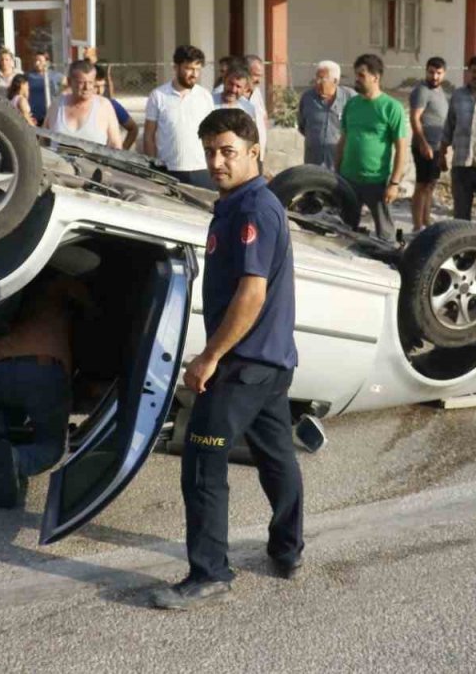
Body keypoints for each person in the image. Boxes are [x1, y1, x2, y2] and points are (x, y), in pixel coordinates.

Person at [151, 108, 303, 610]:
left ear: (254, 152)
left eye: (227, 152)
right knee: (277, 456)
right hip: (270, 362)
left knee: (201, 460)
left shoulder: (254, 210)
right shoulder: (237, 203)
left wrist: (209, 357)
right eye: (211, 151)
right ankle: (288, 548)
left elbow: (252, 295)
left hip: (243, 364)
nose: (217, 161)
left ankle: (210, 573)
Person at [0, 270, 96, 509]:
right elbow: (94, 314)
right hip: (43, 369)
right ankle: (20, 459)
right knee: (52, 446)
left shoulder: (21, 291)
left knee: (11, 405)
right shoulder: (66, 289)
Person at [336, 54, 410, 241]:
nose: (357, 80)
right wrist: (336, 173)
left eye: (361, 75)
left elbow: (402, 149)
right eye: (356, 75)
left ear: (375, 78)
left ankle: (388, 265)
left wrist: (394, 183)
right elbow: (342, 141)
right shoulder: (352, 105)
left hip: (376, 181)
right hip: (348, 179)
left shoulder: (391, 108)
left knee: (385, 234)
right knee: (344, 231)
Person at [143, 45, 216, 188]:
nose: (194, 74)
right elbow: (148, 136)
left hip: (201, 170)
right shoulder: (158, 96)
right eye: (189, 68)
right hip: (169, 171)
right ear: (176, 67)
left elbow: (213, 134)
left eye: (198, 69)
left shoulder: (205, 96)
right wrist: (153, 168)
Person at [441, 56, 476, 225]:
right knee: (460, 216)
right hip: (461, 165)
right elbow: (449, 126)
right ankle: (463, 250)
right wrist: (442, 154)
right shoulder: (458, 95)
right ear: (468, 72)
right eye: (474, 71)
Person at [408, 57, 450, 232]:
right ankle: (417, 225)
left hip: (437, 146)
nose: (434, 76)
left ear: (444, 74)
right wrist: (423, 143)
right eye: (431, 72)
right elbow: (415, 118)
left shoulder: (441, 92)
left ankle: (426, 220)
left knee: (431, 185)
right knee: (422, 185)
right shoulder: (422, 91)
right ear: (426, 71)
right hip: (424, 146)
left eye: (438, 73)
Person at [45, 59, 124, 149]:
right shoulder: (57, 105)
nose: (87, 87)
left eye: (90, 82)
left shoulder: (104, 106)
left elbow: (115, 145)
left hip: (93, 162)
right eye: (81, 83)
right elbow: (43, 141)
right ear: (69, 81)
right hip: (57, 162)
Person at [296, 60, 350, 170]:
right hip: (313, 165)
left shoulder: (350, 99)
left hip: (341, 167)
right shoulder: (307, 98)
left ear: (335, 81)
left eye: (322, 79)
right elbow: (302, 127)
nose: (317, 82)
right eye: (316, 78)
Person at [215, 67, 269, 155]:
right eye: (230, 84)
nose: (233, 90)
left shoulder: (248, 108)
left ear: (245, 88)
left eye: (238, 86)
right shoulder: (208, 101)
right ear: (224, 81)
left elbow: (251, 137)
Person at [94, 62, 139, 150]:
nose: (99, 91)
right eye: (95, 86)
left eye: (102, 86)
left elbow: (133, 128)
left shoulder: (111, 105)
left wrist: (122, 152)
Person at [27, 49, 65, 126]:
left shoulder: (54, 75)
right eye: (35, 60)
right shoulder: (28, 76)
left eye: (40, 60)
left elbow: (68, 83)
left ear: (47, 62)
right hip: (34, 115)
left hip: (50, 113)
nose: (37, 63)